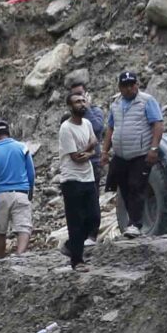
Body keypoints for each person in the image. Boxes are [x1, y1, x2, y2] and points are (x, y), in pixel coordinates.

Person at [105, 69, 165, 238]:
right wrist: (104, 151)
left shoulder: (146, 101)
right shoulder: (115, 104)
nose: (129, 89)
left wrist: (154, 149)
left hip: (140, 153)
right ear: (119, 87)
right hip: (121, 155)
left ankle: (135, 224)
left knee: (136, 186)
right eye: (125, 86)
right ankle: (132, 222)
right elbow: (110, 127)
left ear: (137, 85)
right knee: (124, 188)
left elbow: (158, 125)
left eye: (132, 85)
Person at [52, 91, 102, 270]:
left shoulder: (87, 123)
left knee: (94, 217)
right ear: (70, 106)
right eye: (77, 102)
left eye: (83, 101)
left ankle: (71, 245)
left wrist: (87, 150)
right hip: (72, 179)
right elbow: (76, 158)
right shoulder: (66, 128)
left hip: (87, 177)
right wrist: (90, 150)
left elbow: (94, 143)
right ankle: (77, 261)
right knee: (76, 220)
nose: (82, 104)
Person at [0, 118, 36, 258]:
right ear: (8, 132)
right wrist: (30, 191)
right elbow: (31, 173)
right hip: (21, 193)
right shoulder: (22, 148)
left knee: (0, 232)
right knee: (24, 227)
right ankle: (19, 255)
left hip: (1, 196)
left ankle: (0, 260)